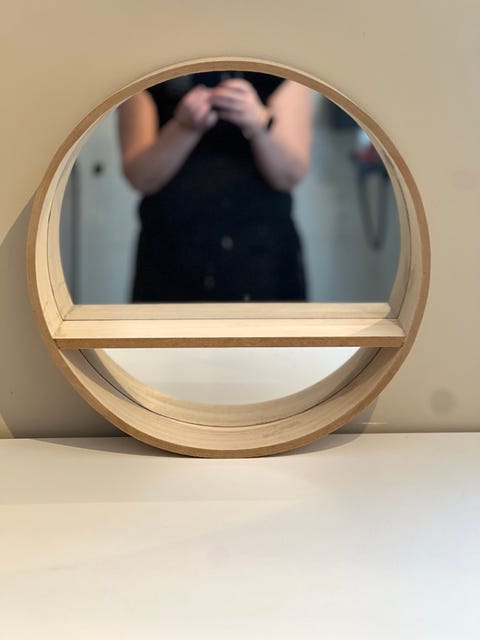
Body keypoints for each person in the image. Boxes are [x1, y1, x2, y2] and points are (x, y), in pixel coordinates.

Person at [118, 71, 312, 302]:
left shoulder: (282, 68)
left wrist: (258, 121)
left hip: (264, 251)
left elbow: (289, 175)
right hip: (171, 250)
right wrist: (183, 128)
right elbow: (141, 177)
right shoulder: (145, 69)